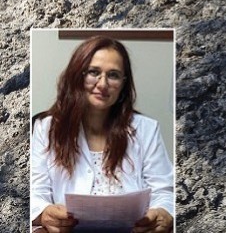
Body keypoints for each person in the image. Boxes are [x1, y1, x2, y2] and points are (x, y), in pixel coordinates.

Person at [31, 35, 174, 232]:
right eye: (93, 72)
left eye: (113, 75)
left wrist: (163, 213)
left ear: (124, 83)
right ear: (77, 75)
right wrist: (43, 212)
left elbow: (165, 190)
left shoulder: (146, 128)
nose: (103, 83)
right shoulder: (44, 128)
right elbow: (33, 191)